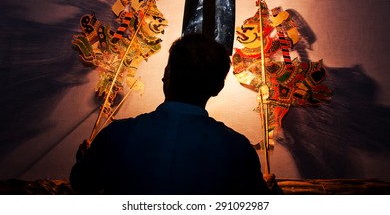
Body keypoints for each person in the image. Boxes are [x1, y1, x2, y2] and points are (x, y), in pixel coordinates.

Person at [70, 33, 281, 194]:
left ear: (166, 74)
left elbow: (81, 184)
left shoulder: (115, 135)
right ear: (218, 87)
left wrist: (84, 160)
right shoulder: (237, 149)